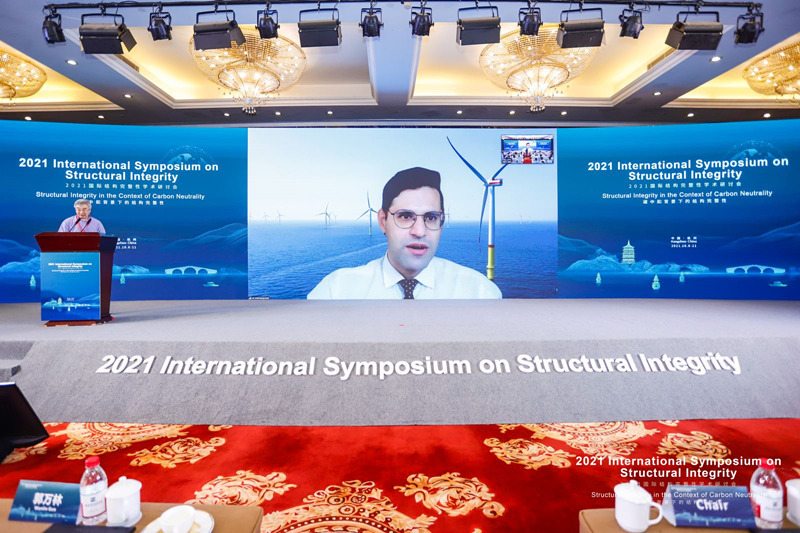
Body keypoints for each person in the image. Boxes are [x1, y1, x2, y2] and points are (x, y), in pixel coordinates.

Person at [307, 167, 501, 299]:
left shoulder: (480, 293)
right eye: (406, 216)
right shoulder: (335, 291)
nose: (420, 231)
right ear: (383, 221)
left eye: (431, 217)